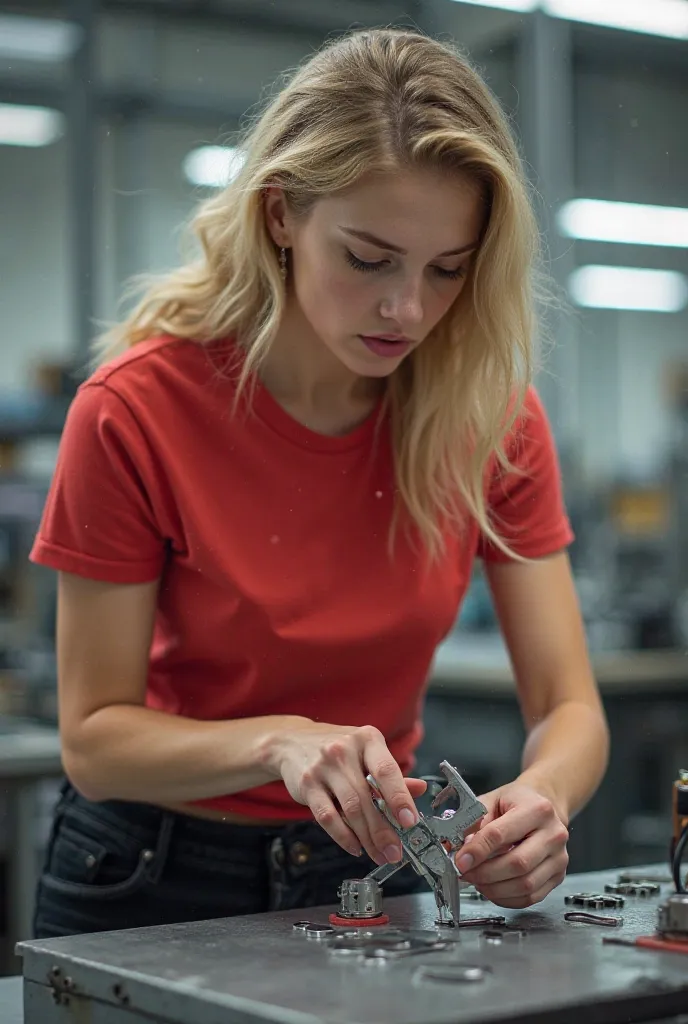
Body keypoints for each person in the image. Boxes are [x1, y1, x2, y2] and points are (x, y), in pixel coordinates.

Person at [29, 27, 609, 940]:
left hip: (378, 869)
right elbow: (94, 740)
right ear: (279, 217)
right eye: (369, 258)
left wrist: (541, 800)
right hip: (149, 875)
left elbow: (570, 708)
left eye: (447, 269)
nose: (407, 308)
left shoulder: (491, 417)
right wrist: (279, 739)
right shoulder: (133, 410)